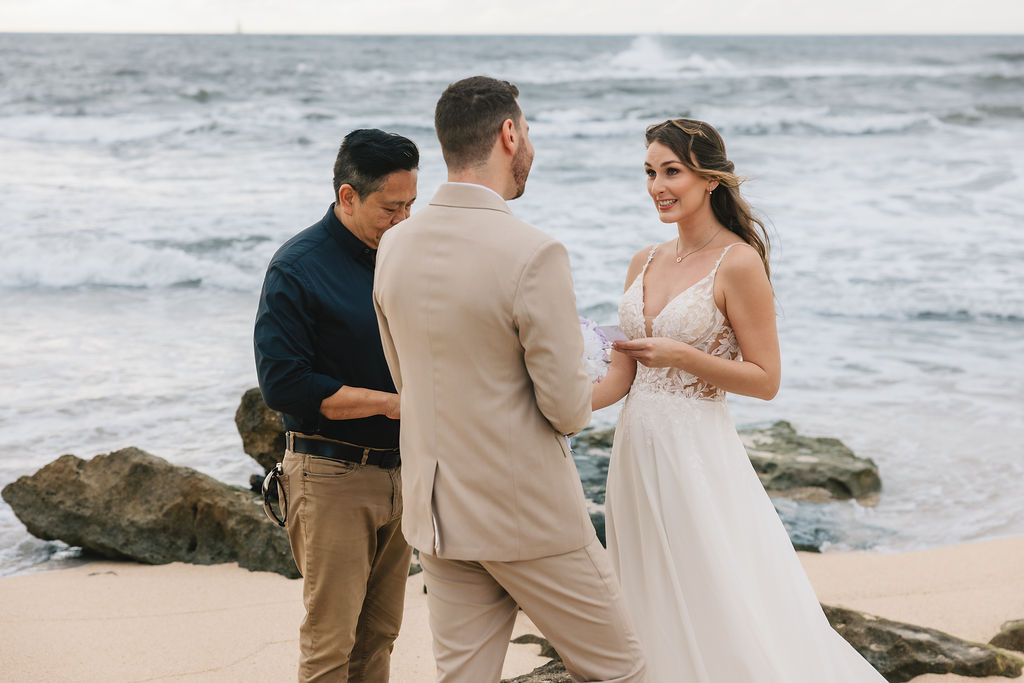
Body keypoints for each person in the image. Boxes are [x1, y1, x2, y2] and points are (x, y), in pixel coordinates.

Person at [592, 118, 886, 681]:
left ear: (711, 179)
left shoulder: (739, 263)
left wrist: (683, 356)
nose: (658, 185)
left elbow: (765, 378)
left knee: (711, 584)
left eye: (671, 171)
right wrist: (558, 404)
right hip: (635, 449)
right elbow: (619, 377)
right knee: (647, 582)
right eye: (650, 172)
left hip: (696, 450)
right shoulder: (643, 261)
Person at [373, 76, 646, 683]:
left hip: (439, 515)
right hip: (529, 519)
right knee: (624, 672)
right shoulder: (534, 253)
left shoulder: (394, 245)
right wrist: (619, 373)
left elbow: (406, 379)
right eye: (528, 133)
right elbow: (567, 410)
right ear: (508, 133)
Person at [254, 128, 419, 682]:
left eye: (412, 205)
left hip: (404, 475)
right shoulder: (296, 267)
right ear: (348, 196)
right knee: (330, 646)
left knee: (379, 639)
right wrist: (395, 405)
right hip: (330, 477)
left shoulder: (403, 255)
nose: (404, 219)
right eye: (391, 207)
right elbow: (284, 384)